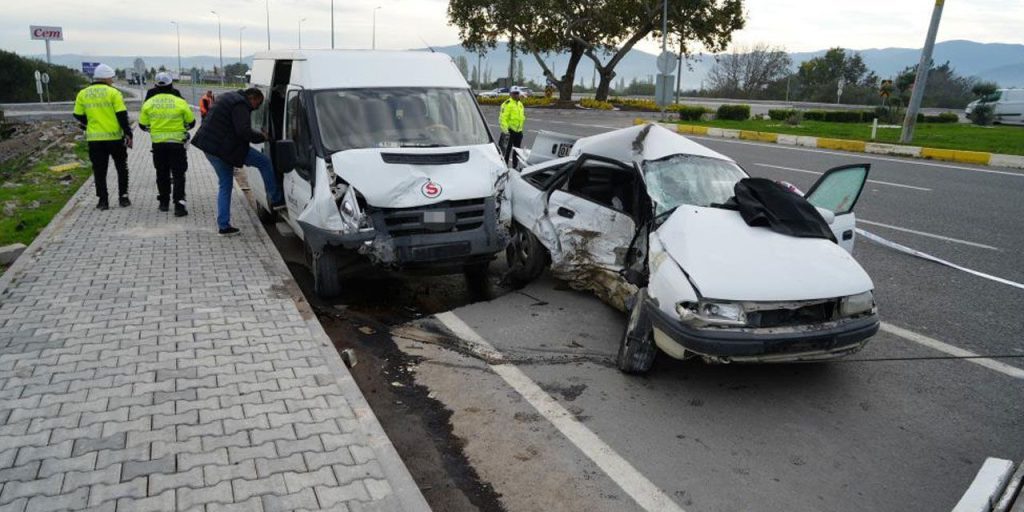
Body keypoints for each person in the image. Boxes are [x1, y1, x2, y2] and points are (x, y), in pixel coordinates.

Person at [192, 87, 284, 236]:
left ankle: (224, 226)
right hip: (223, 148)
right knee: (264, 162)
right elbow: (243, 131)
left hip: (210, 147)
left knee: (225, 185)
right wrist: (263, 137)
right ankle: (276, 199)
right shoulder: (241, 105)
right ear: (253, 98)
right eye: (258, 104)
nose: (256, 108)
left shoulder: (228, 97)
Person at [73, 63, 132, 210]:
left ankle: (103, 201)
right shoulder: (114, 93)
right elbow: (121, 115)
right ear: (106, 78)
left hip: (95, 139)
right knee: (121, 168)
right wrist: (128, 133)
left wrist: (89, 123)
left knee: (99, 171)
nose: (112, 81)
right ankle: (123, 197)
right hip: (115, 138)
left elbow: (77, 114)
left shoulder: (83, 93)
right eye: (111, 78)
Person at [139, 73, 195, 217]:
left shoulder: (149, 103)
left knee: (161, 173)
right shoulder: (180, 101)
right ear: (171, 85)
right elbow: (192, 122)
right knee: (178, 175)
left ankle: (164, 203)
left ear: (156, 86)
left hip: (158, 145)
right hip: (177, 144)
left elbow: (143, 125)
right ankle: (179, 205)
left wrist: (154, 129)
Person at [499, 87, 526, 167]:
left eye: (517, 93)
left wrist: (520, 130)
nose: (516, 95)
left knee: (517, 151)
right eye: (514, 93)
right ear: (510, 94)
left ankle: (515, 167)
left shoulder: (520, 104)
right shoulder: (507, 104)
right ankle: (504, 167)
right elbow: (502, 118)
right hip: (509, 131)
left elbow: (521, 117)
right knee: (506, 152)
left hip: (518, 131)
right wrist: (506, 131)